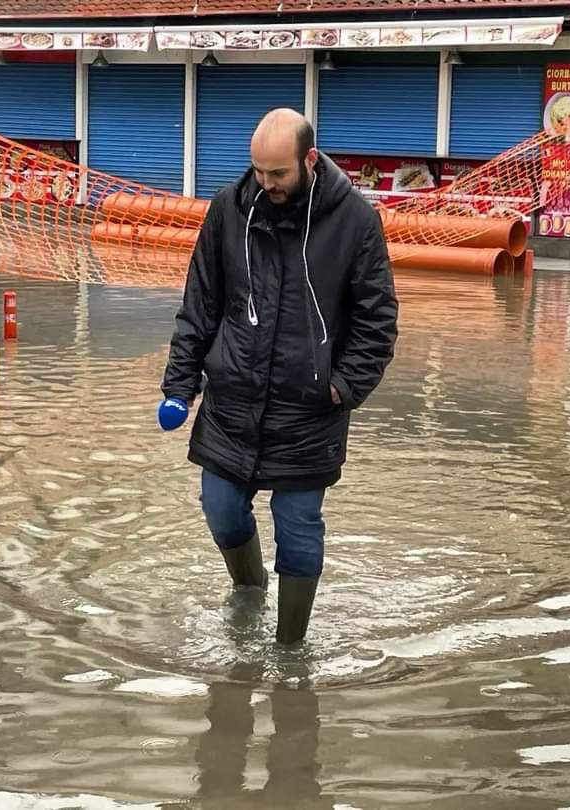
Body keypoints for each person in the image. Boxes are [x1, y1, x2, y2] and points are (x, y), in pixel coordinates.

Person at [158, 108, 397, 644]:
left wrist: (341, 387)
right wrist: (180, 385)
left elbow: (377, 321)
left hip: (308, 412)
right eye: (259, 173)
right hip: (231, 404)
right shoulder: (227, 211)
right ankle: (248, 594)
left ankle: (290, 653)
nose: (266, 185)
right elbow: (200, 305)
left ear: (309, 160)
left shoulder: (355, 221)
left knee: (299, 533)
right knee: (219, 510)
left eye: (279, 175)